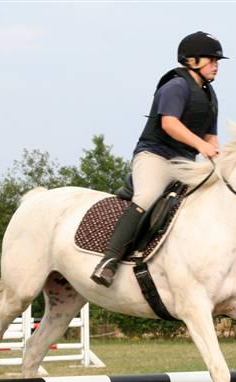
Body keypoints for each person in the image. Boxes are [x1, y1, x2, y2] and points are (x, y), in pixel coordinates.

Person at [91, 31, 228, 287]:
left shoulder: (210, 96)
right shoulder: (175, 86)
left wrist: (219, 164)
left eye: (217, 61)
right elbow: (169, 124)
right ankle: (108, 261)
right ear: (192, 60)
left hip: (184, 162)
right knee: (147, 196)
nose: (216, 66)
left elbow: (211, 138)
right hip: (155, 155)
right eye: (212, 60)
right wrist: (202, 146)